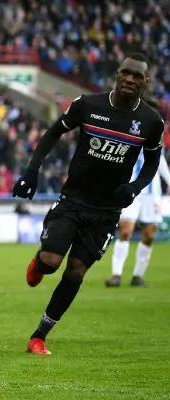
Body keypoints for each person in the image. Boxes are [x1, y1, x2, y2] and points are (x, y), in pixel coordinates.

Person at [12, 53, 165, 355]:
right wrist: (32, 170)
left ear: (146, 81)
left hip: (107, 211)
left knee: (77, 271)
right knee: (51, 261)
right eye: (126, 72)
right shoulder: (88, 105)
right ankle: (39, 263)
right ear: (117, 74)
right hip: (73, 200)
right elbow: (54, 132)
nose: (130, 79)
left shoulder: (151, 122)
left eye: (137, 76)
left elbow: (152, 163)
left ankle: (39, 336)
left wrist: (134, 188)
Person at [106, 96, 170, 288]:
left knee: (149, 235)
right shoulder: (129, 127)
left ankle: (137, 277)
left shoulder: (157, 131)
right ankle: (116, 275)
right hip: (131, 188)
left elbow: (159, 161)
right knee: (126, 230)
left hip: (152, 192)